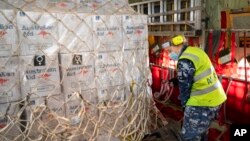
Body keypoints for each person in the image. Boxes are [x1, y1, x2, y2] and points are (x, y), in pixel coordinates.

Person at [162, 35, 227, 141]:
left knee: (189, 137)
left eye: (169, 50)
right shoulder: (196, 51)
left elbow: (184, 89)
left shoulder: (184, 60)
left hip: (201, 103)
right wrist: (174, 80)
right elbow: (194, 75)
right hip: (215, 99)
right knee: (201, 135)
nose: (170, 55)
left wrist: (185, 107)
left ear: (177, 44)